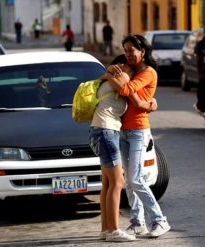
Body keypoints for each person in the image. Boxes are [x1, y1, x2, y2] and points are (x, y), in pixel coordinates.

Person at [105, 35, 171, 238]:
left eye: (132, 49)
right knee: (128, 180)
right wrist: (112, 74)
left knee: (135, 178)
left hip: (139, 131)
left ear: (142, 51)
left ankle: (159, 220)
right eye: (125, 50)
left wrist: (114, 78)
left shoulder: (148, 72)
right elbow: (113, 78)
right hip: (123, 131)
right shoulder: (130, 70)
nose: (128, 54)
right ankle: (137, 222)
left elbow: (126, 89)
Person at [89, 54, 157, 242]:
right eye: (128, 67)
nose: (131, 73)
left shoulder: (106, 79)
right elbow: (136, 100)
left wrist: (107, 73)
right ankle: (114, 230)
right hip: (107, 132)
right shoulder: (121, 77)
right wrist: (150, 105)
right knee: (118, 183)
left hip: (98, 131)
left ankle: (105, 229)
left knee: (108, 184)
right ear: (120, 65)